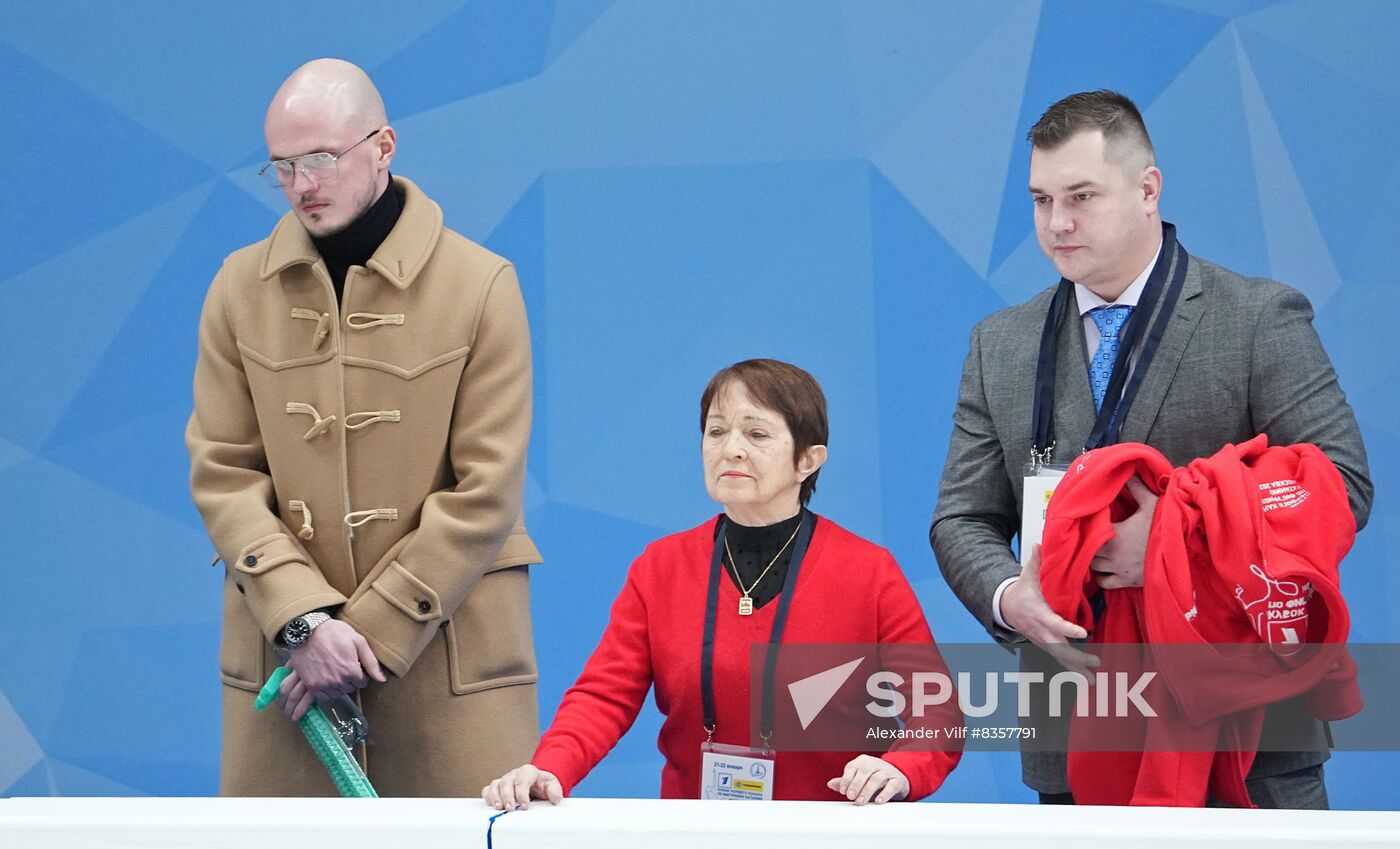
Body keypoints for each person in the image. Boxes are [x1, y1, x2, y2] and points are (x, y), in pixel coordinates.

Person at [929, 90, 1371, 807]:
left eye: (1081, 196)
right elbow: (962, 518)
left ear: (1147, 189)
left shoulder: (1259, 317)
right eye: (1041, 200)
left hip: (1247, 729)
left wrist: (1171, 546)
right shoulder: (999, 343)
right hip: (1073, 728)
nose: (1057, 223)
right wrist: (1015, 599)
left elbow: (1343, 485)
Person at [186, 58, 542, 796]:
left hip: (447, 665)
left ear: (383, 146)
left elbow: (488, 489)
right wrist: (303, 624)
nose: (301, 185)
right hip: (290, 668)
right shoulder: (236, 289)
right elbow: (222, 471)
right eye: (281, 166)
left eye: (320, 158)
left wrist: (367, 637)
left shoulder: (481, 286)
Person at [484, 359, 961, 808]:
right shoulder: (661, 567)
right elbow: (603, 696)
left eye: (756, 433)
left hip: (831, 829)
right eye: (716, 431)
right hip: (697, 828)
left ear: (808, 460)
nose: (731, 448)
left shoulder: (867, 572)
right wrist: (548, 768)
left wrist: (901, 769)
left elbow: (937, 713)